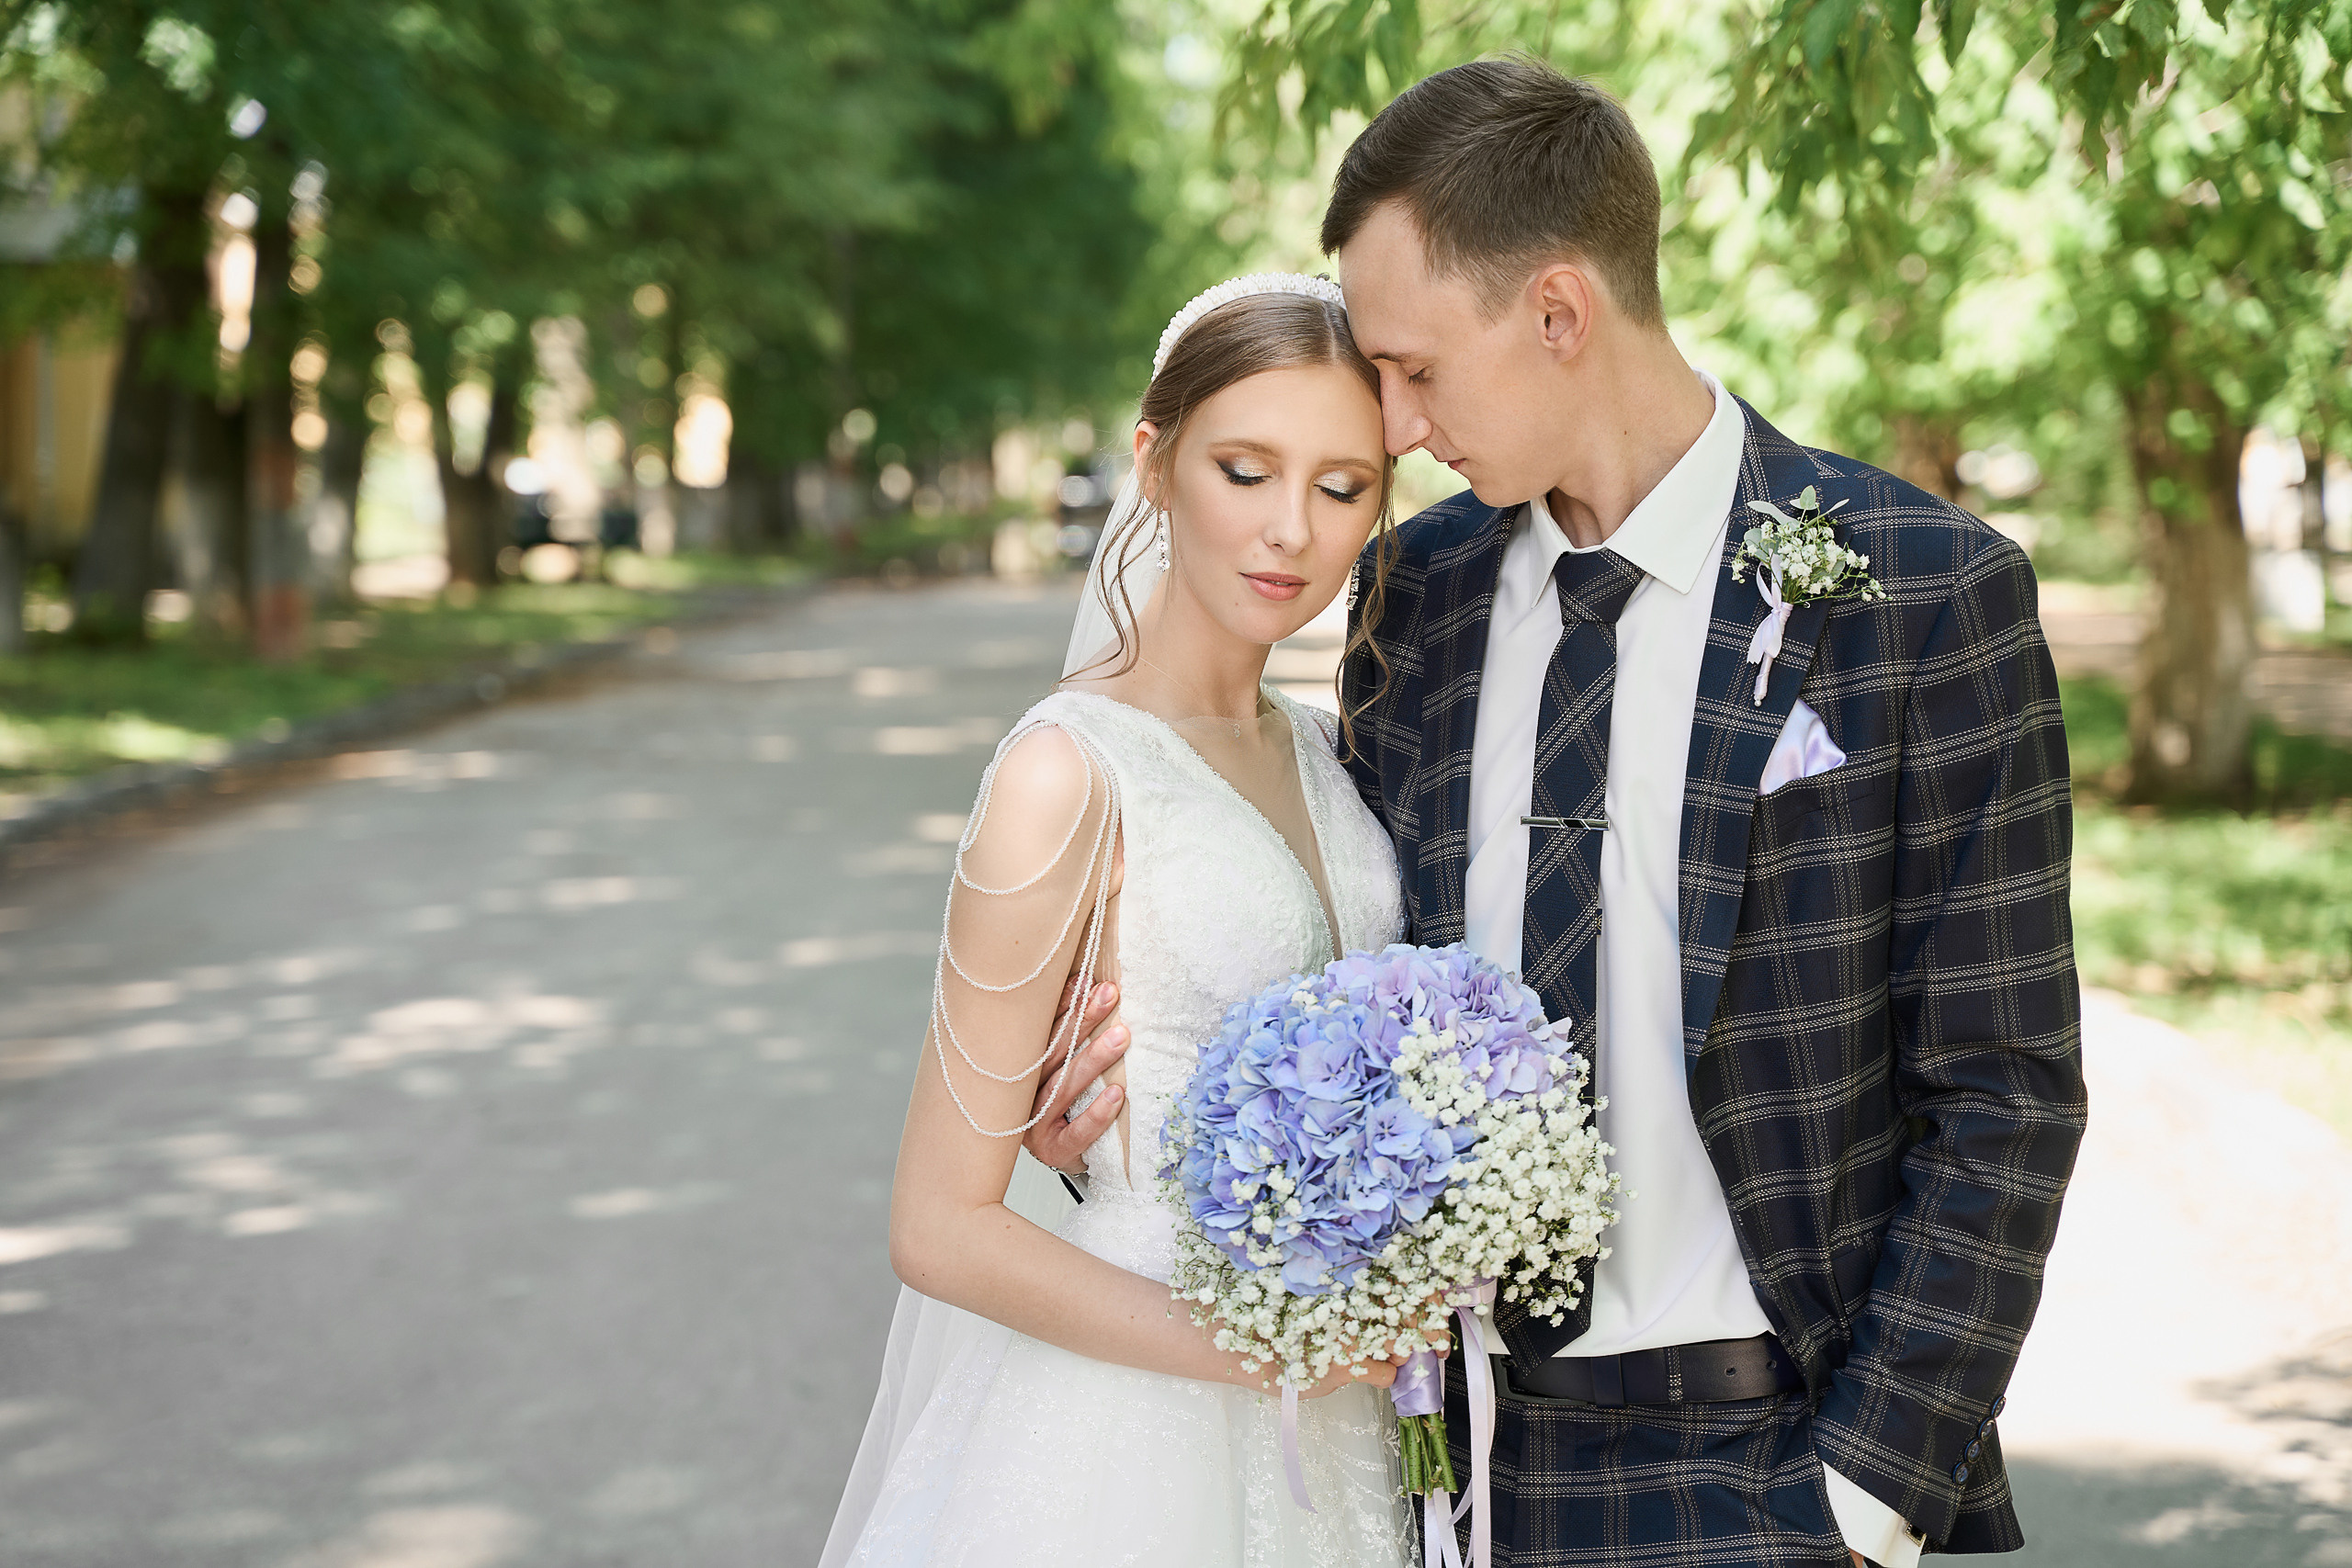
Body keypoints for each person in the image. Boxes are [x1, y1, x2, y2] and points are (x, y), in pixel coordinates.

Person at [1035, 60, 2086, 1568]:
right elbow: (1341, 969)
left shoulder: (1926, 597)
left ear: (1557, 313)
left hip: (1780, 1472)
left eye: (1409, 367)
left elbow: (2006, 1089)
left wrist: (1864, 1491)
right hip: (1451, 1469)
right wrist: (1126, 1105)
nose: (1389, 427)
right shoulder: (1423, 593)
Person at [821, 277, 1423, 1568]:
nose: (1289, 532)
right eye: (1245, 470)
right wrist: (1272, 1349)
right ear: (1153, 465)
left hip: (1342, 1422)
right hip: (1133, 1419)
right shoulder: (1066, 775)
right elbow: (939, 1226)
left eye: (1342, 486)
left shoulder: (1326, 752)